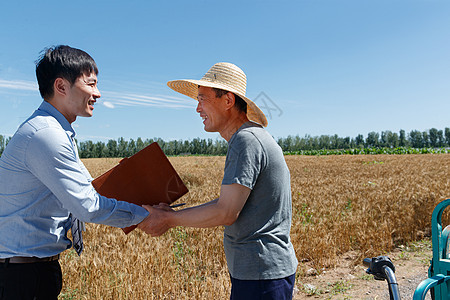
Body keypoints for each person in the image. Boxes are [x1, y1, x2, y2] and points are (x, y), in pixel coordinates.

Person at [0, 45, 149, 299]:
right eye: (91, 84)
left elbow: (87, 187)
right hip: (21, 278)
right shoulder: (46, 134)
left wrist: (126, 178)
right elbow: (88, 206)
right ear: (61, 86)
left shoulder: (57, 132)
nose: (97, 94)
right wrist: (146, 215)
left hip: (34, 269)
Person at [138, 62, 298, 299]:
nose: (197, 108)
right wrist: (171, 213)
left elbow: (226, 212)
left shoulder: (246, 141)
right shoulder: (250, 137)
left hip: (261, 275)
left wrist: (168, 219)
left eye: (202, 99)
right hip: (262, 271)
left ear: (228, 101)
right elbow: (231, 203)